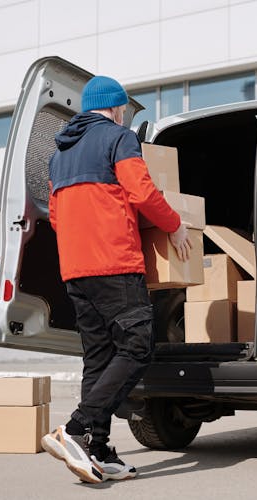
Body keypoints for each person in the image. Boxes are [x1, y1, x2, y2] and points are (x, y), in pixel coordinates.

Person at [40, 75, 192, 484]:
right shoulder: (119, 138)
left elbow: (55, 216)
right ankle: (75, 428)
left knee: (99, 357)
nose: (124, 114)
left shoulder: (58, 156)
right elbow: (141, 192)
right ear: (115, 107)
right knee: (138, 347)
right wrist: (174, 225)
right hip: (115, 263)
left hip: (75, 269)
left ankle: (98, 447)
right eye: (123, 108)